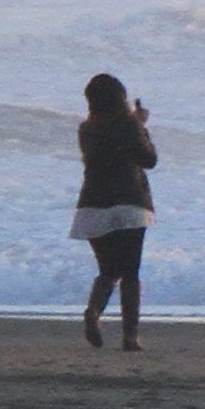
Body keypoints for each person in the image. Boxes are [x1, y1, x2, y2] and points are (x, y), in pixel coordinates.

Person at [71, 73, 154, 351]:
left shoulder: (86, 129)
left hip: (92, 206)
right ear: (121, 98)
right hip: (129, 204)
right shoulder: (130, 124)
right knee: (130, 272)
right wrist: (141, 124)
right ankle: (130, 337)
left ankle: (93, 311)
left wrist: (135, 123)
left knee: (108, 270)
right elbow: (149, 159)